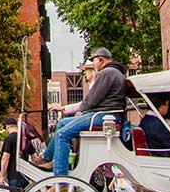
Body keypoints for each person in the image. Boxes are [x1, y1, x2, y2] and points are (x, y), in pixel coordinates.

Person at [36, 47, 126, 177]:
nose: (93, 65)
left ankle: (61, 177)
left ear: (100, 60)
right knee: (62, 124)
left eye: (93, 61)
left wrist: (76, 110)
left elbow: (90, 101)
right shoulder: (116, 73)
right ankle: (47, 158)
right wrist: (66, 109)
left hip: (102, 115)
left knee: (62, 134)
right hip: (108, 115)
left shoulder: (105, 74)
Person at [0, 116, 44, 192]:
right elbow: (34, 158)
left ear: (7, 127)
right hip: (25, 174)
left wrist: (3, 175)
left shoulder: (9, 139)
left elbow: (5, 158)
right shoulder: (25, 139)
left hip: (14, 174)